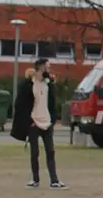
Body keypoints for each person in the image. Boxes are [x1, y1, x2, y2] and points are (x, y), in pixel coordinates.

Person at [11, 59, 66, 189]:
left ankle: (54, 180)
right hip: (34, 123)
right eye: (48, 67)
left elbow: (52, 104)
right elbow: (20, 104)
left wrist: (52, 120)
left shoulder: (49, 84)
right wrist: (29, 122)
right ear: (41, 68)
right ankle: (35, 179)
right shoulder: (28, 85)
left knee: (50, 152)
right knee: (34, 152)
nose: (49, 70)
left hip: (47, 123)